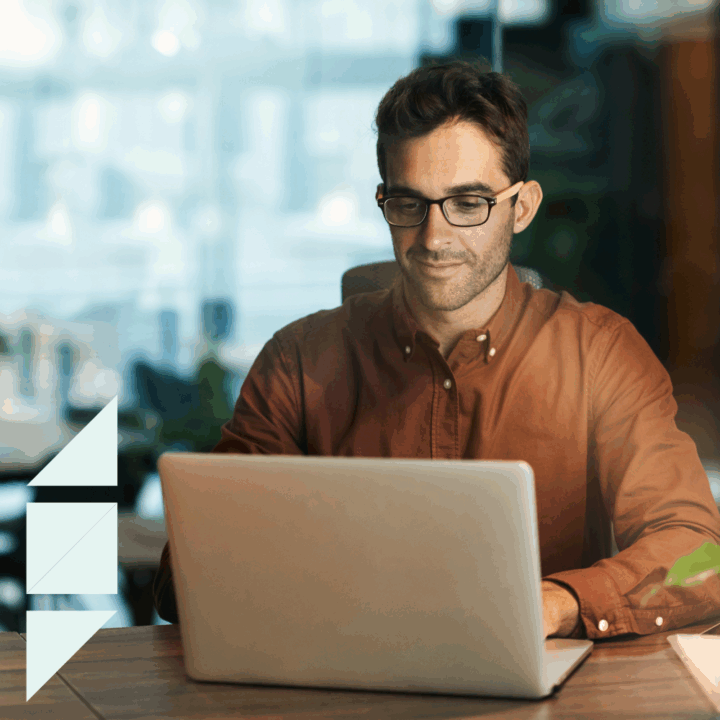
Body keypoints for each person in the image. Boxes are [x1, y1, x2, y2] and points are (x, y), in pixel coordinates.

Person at [153, 60, 720, 638]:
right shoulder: (299, 363)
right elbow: (189, 573)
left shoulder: (600, 356)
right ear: (384, 204)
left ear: (521, 208)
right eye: (408, 205)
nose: (434, 237)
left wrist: (556, 603)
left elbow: (702, 559)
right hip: (341, 679)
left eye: (468, 203)